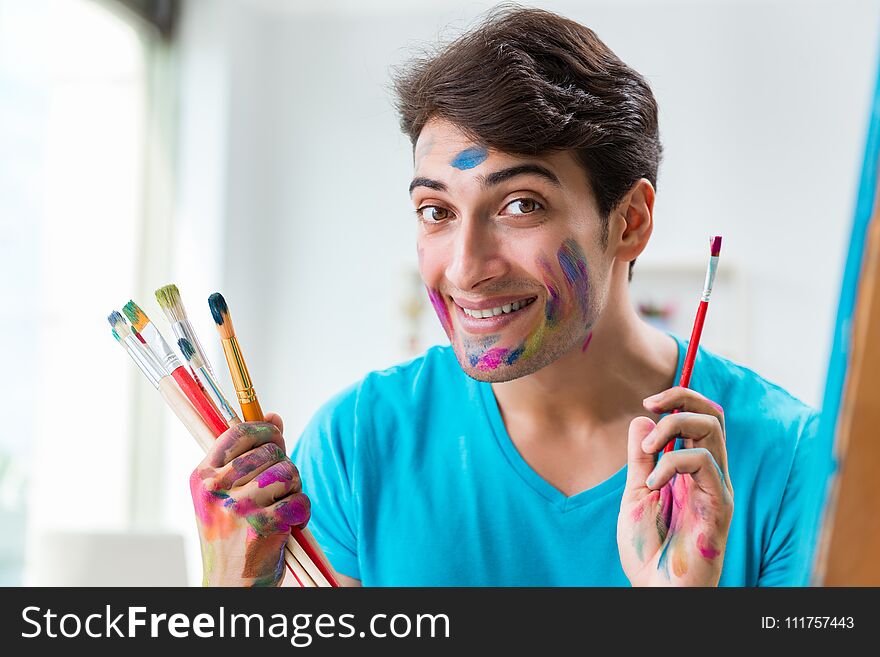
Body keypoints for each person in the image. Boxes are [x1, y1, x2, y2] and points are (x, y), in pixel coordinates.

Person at [190, 6, 821, 587]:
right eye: (436, 211)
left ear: (629, 221)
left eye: (521, 205)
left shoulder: (792, 462)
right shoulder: (358, 443)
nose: (466, 268)